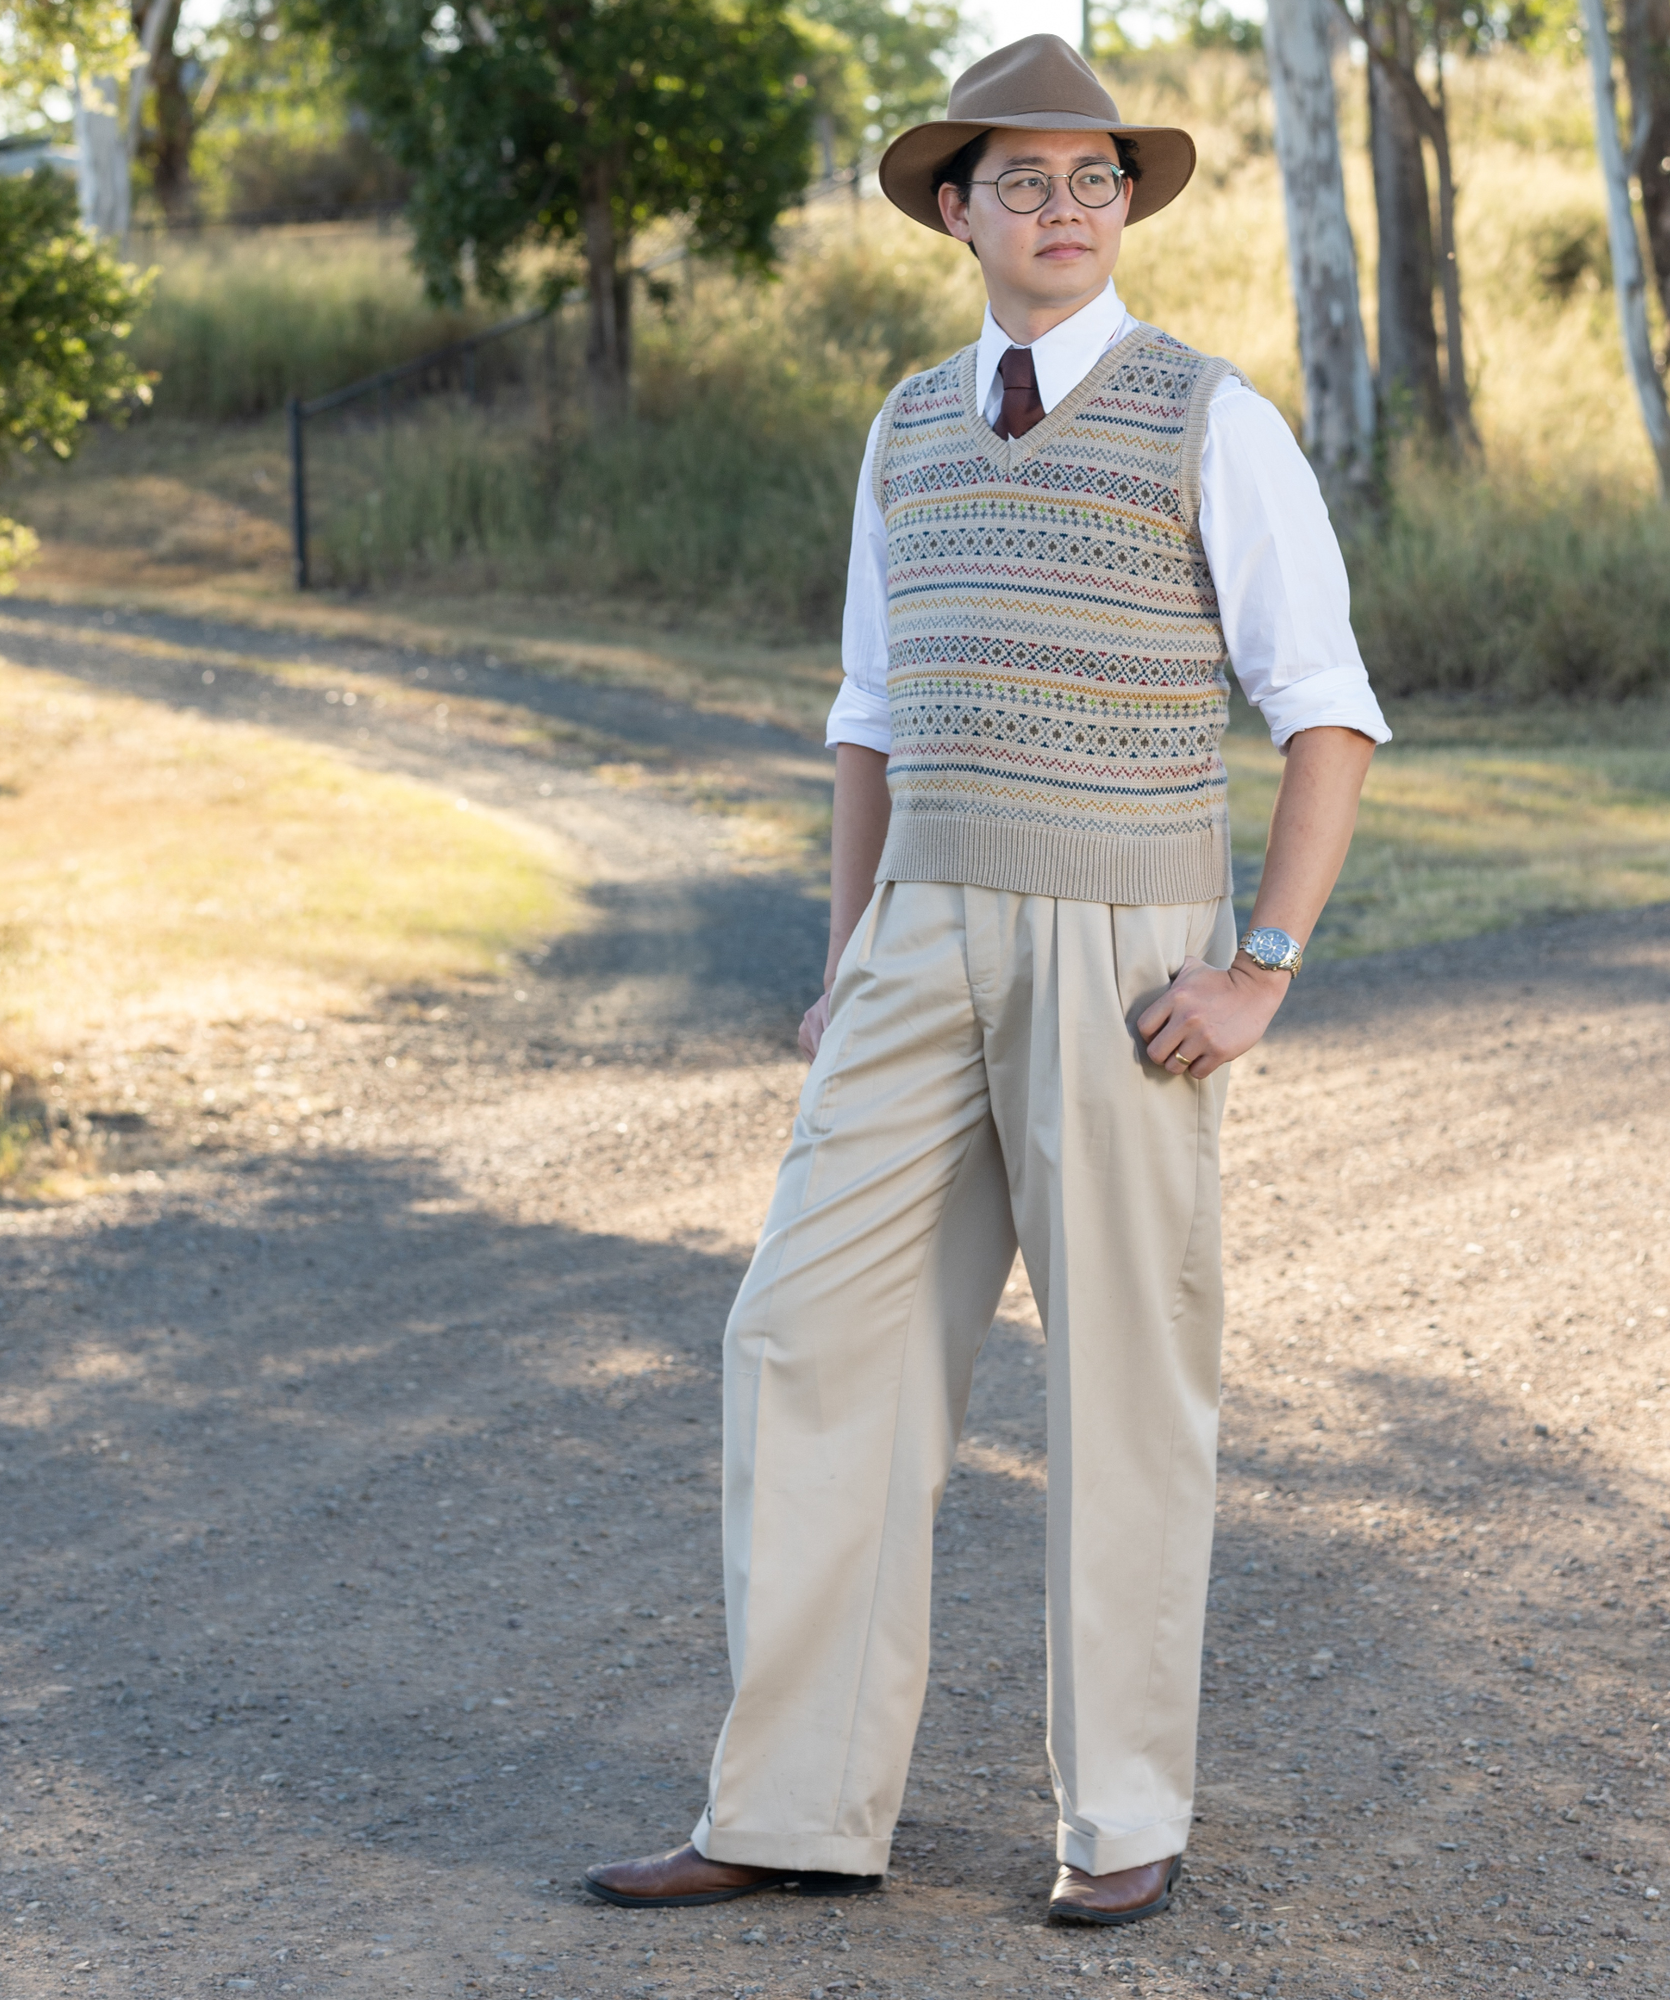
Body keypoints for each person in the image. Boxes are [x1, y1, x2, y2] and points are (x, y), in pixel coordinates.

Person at [584, 32, 1389, 1927]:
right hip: (917, 941)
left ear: (1128, 205)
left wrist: (1260, 966)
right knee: (800, 1341)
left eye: (1098, 179)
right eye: (1025, 182)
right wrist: (846, 949)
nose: (1067, 211)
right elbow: (868, 714)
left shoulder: (1215, 419)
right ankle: (787, 1808)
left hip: (1126, 953)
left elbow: (1326, 713)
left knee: (1123, 1385)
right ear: (958, 210)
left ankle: (1122, 1820)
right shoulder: (906, 427)